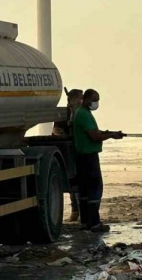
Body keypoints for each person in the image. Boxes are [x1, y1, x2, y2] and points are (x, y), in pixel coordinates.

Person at [73, 89, 125, 232]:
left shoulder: (83, 113)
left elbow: (94, 132)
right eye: (95, 100)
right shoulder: (84, 115)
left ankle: (85, 223)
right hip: (88, 157)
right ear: (87, 99)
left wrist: (108, 133)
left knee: (84, 191)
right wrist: (110, 136)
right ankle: (94, 224)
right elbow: (94, 137)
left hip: (83, 157)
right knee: (94, 189)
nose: (96, 103)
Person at [52, 88, 83, 222]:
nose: (81, 101)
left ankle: (81, 211)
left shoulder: (81, 113)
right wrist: (63, 134)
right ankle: (75, 211)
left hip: (80, 150)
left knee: (81, 184)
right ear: (72, 99)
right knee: (73, 184)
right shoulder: (63, 113)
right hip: (68, 152)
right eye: (79, 98)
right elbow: (56, 129)